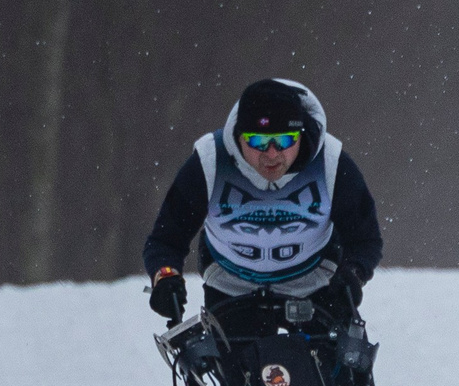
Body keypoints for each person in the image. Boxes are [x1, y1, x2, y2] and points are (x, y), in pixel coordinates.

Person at [141, 77, 382, 329]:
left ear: (301, 134)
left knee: (345, 363)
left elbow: (365, 240)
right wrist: (165, 276)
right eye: (258, 141)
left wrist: (352, 274)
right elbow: (166, 239)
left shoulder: (331, 161)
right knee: (231, 367)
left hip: (316, 285)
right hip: (231, 287)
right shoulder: (210, 161)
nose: (272, 154)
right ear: (238, 136)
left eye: (285, 140)